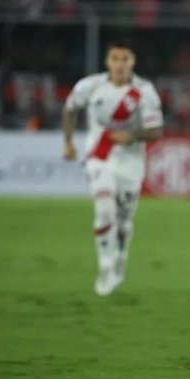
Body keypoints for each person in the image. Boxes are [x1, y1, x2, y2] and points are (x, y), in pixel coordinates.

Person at [63, 43, 164, 297]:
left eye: (125, 58)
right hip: (99, 156)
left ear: (133, 62)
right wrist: (68, 142)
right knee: (104, 206)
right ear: (108, 61)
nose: (120, 63)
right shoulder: (90, 86)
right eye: (115, 58)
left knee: (123, 220)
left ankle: (121, 255)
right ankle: (106, 267)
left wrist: (131, 135)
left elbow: (156, 131)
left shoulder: (144, 91)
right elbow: (70, 108)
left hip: (131, 163)